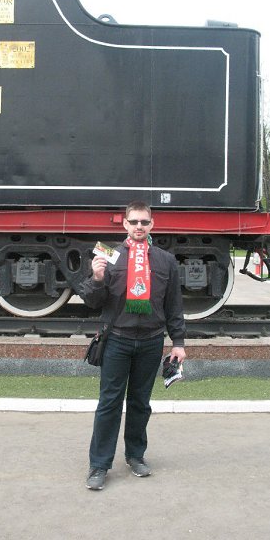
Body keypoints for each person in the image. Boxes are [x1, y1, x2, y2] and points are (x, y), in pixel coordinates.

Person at [80, 201, 186, 490]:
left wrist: (178, 342)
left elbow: (174, 305)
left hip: (152, 341)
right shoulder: (107, 255)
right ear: (125, 224)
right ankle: (99, 464)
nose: (139, 226)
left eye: (144, 222)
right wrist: (97, 278)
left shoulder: (166, 260)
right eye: (134, 221)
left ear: (152, 224)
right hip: (117, 340)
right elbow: (92, 302)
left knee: (140, 403)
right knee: (109, 403)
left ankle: (135, 456)